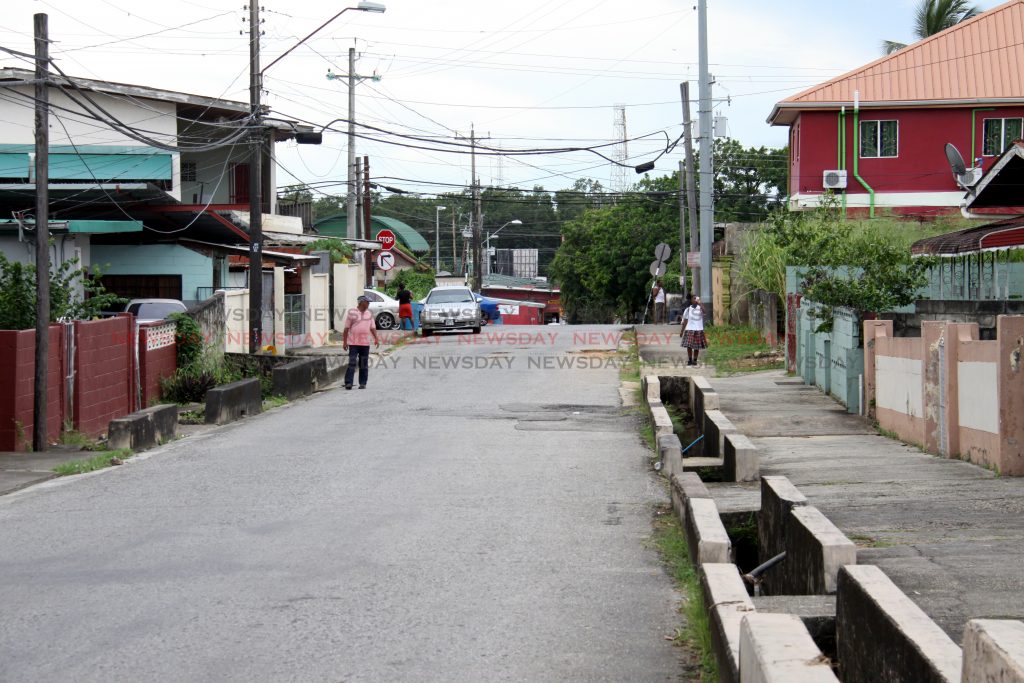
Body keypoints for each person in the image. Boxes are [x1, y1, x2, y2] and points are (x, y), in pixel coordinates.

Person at [343, 295, 380, 389]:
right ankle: (348, 383)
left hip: (365, 343)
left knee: (363, 363)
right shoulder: (352, 313)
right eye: (367, 302)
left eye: (369, 302)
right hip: (353, 343)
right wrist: (344, 342)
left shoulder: (369, 314)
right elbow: (346, 328)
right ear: (361, 302)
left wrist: (376, 338)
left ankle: (363, 383)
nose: (368, 304)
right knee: (352, 362)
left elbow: (372, 328)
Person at [679, 295, 708, 366]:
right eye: (694, 298)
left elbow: (705, 312)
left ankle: (695, 360)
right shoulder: (688, 309)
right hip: (689, 329)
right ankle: (690, 360)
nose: (695, 300)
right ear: (691, 300)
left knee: (696, 346)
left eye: (697, 298)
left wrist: (700, 303)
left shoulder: (700, 308)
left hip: (698, 330)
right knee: (689, 346)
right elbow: (685, 320)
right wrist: (682, 331)